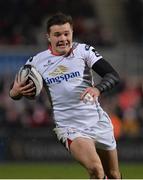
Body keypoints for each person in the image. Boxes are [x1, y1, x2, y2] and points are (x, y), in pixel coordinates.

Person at [9, 12, 121, 179]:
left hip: (98, 121)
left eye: (66, 34)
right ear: (48, 37)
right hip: (69, 126)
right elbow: (15, 90)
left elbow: (112, 75)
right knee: (96, 170)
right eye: (57, 35)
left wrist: (97, 89)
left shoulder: (83, 51)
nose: (63, 38)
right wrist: (15, 92)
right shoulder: (36, 62)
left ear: (72, 33)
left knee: (113, 174)